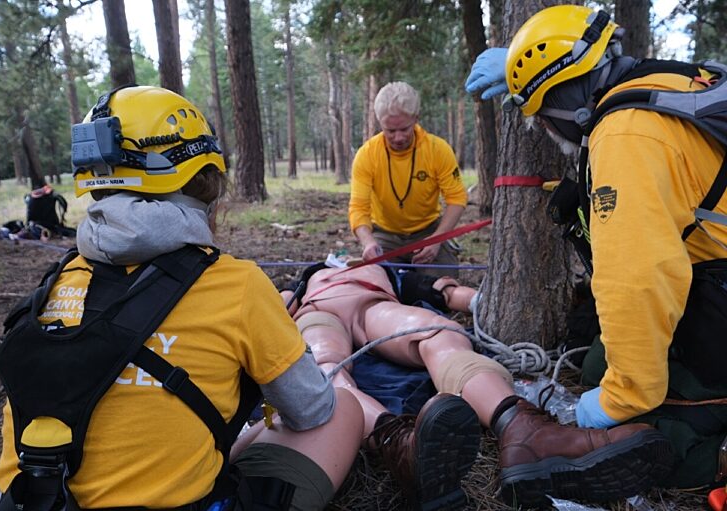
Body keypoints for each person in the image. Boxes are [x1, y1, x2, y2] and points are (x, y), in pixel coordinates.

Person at [0, 86, 363, 511]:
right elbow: (312, 409)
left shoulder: (56, 282)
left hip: (34, 501)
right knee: (344, 410)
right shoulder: (237, 285)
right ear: (202, 176)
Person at [466, 4, 727, 488]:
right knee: (596, 362)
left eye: (538, 111)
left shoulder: (626, 135)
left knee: (666, 435)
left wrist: (619, 401)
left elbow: (636, 277)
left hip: (718, 293)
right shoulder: (667, 84)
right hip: (710, 277)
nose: (543, 127)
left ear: (561, 98)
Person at [280, 260, 675, 508]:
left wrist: (485, 300)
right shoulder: (306, 281)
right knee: (323, 365)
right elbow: (273, 312)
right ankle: (399, 444)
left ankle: (523, 431)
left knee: (438, 330)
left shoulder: (386, 268)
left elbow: (446, 294)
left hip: (375, 309)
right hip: (317, 315)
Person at [349, 81, 467, 277]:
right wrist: (368, 242)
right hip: (384, 235)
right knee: (376, 281)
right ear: (380, 123)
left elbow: (457, 199)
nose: (398, 138)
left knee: (441, 283)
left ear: (416, 118)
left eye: (404, 129)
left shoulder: (438, 150)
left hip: (428, 232)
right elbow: (358, 208)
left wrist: (437, 240)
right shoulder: (367, 155)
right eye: (390, 131)